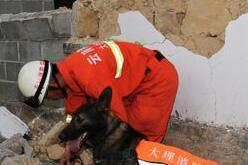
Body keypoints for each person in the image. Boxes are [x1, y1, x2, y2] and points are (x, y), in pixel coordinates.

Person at [17, 40, 179, 144]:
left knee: (140, 137)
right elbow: (73, 112)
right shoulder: (70, 72)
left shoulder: (88, 77)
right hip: (135, 83)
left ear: (52, 83)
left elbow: (117, 118)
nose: (51, 100)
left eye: (47, 96)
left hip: (156, 79)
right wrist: (71, 144)